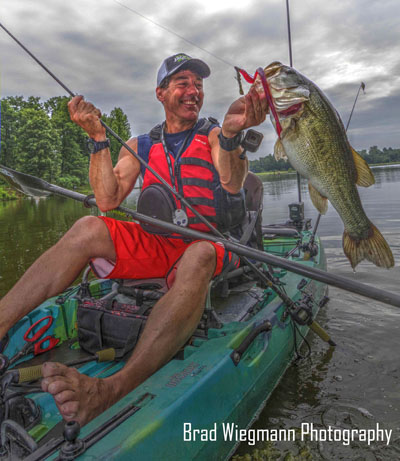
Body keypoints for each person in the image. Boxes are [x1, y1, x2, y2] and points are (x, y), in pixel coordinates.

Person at [0, 53, 268, 426]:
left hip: (208, 244)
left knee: (199, 255)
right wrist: (97, 139)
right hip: (158, 244)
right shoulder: (141, 144)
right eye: (183, 83)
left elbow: (232, 180)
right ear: (161, 93)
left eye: (199, 84)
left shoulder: (212, 135)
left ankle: (113, 389)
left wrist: (232, 134)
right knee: (88, 227)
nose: (194, 91)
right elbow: (108, 200)